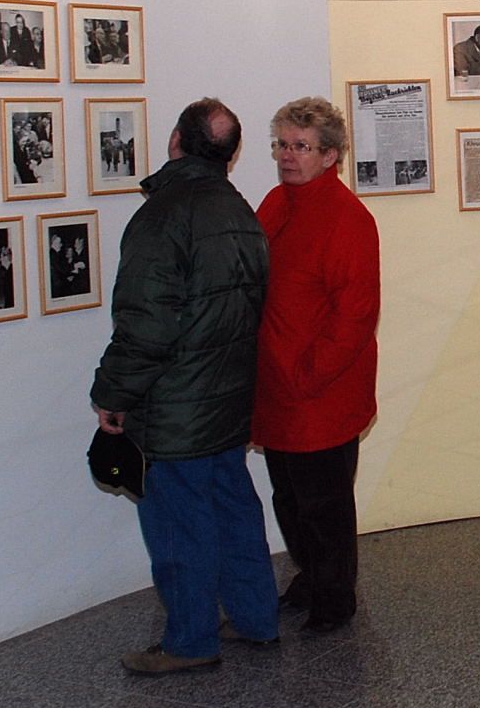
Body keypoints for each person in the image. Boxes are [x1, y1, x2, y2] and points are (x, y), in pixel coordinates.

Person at [90, 98, 277, 674]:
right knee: (234, 509)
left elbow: (146, 322)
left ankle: (190, 642)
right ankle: (256, 619)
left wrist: (113, 394)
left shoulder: (164, 214)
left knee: (178, 526)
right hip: (227, 398)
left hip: (174, 407)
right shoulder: (240, 211)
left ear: (176, 140)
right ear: (230, 152)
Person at [252, 98, 381, 634]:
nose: (287, 155)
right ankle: (311, 576)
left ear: (330, 155)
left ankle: (334, 597)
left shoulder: (348, 219)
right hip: (275, 388)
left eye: (300, 146)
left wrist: (306, 376)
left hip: (319, 394)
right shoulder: (275, 204)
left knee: (324, 506)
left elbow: (355, 316)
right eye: (281, 144)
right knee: (288, 498)